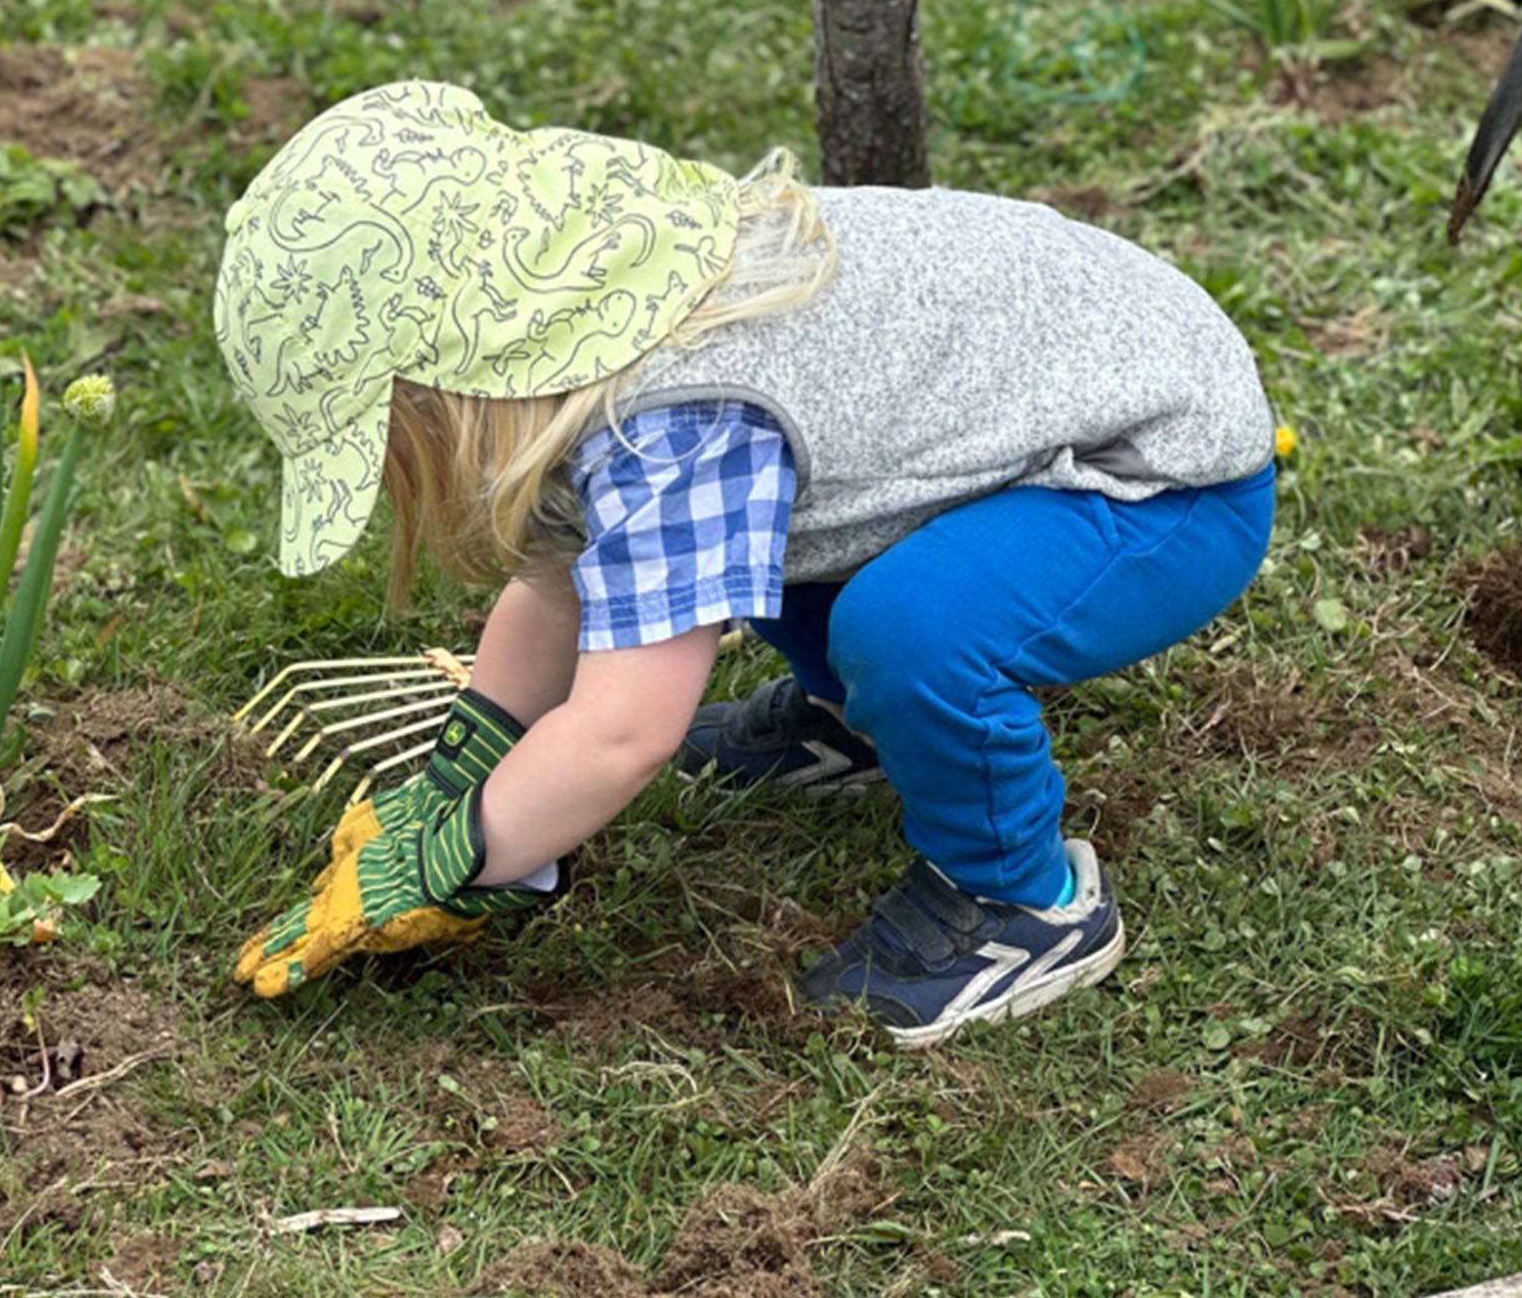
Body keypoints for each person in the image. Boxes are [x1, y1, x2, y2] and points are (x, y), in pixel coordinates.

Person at [215, 79, 1276, 1049]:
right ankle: (851, 718)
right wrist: (467, 769)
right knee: (717, 563)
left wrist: (454, 861)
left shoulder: (674, 424)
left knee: (912, 631)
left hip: (1158, 482)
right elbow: (564, 591)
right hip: (1024, 416)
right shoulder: (611, 295)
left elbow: (623, 731)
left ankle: (1021, 900)